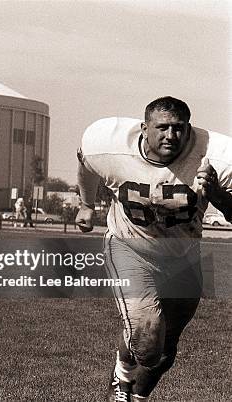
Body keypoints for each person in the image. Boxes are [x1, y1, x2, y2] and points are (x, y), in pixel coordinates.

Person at [74, 96, 232, 401]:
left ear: (189, 130)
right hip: (129, 247)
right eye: (162, 128)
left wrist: (216, 193)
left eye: (178, 128)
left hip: (183, 255)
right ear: (144, 128)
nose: (171, 136)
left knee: (165, 348)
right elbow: (86, 164)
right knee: (147, 344)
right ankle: (122, 374)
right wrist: (85, 204)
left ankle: (137, 397)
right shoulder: (107, 144)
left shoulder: (218, 158)